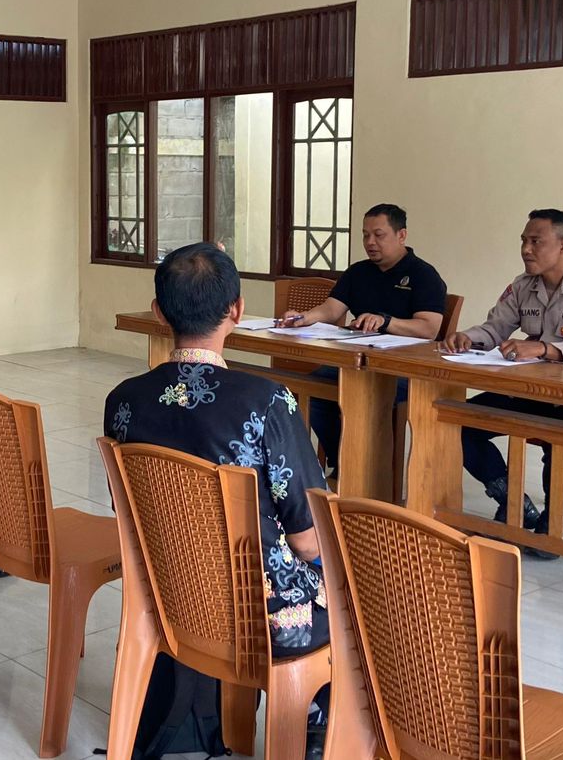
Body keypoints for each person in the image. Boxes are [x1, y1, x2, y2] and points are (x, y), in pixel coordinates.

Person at [104, 243, 331, 755]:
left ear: (159, 312)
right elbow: (309, 541)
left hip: (168, 593)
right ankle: (317, 724)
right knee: (363, 590)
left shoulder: (123, 400)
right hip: (263, 616)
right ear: (237, 309)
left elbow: (127, 512)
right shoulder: (267, 401)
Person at [441, 209, 563, 550]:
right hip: (534, 390)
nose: (526, 249)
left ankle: (553, 528)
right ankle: (513, 503)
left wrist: (544, 349)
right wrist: (468, 337)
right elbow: (495, 328)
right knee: (460, 423)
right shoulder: (523, 285)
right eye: (524, 241)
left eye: (536, 241)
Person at [281, 204, 447, 474]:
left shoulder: (423, 275)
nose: (370, 242)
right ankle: (345, 464)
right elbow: (332, 309)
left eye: (378, 235)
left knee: (359, 393)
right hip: (358, 363)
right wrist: (304, 317)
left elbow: (429, 329)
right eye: (365, 235)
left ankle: (367, 471)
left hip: (404, 370)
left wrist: (386, 322)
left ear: (402, 235)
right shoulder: (358, 272)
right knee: (314, 389)